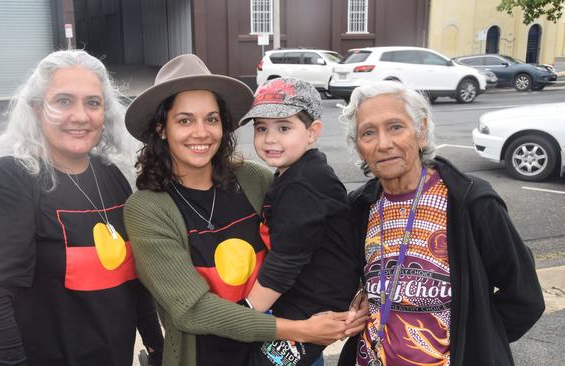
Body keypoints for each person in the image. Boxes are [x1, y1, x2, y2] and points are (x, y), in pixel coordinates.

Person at [123, 54, 367, 366]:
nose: (201, 132)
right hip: (213, 354)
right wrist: (301, 330)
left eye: (211, 119)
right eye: (184, 120)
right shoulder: (147, 209)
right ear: (161, 129)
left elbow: (318, 232)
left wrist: (356, 293)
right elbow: (191, 310)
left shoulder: (254, 179)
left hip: (288, 350)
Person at [0, 49, 163, 366]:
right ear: (38, 109)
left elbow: (132, 283)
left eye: (93, 103)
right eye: (64, 101)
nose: (81, 116)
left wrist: (156, 347)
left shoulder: (109, 177)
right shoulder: (7, 182)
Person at [337, 80, 545, 365]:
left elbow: (525, 296)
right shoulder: (360, 205)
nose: (384, 144)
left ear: (421, 132)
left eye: (396, 127)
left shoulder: (471, 200)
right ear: (359, 147)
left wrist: (478, 343)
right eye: (368, 132)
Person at [237, 77, 363, 365]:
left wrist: (245, 314)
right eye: (261, 129)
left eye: (284, 128)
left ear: (312, 132)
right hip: (303, 296)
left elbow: (285, 262)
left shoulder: (304, 183)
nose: (270, 138)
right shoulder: (295, 172)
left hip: (316, 307)